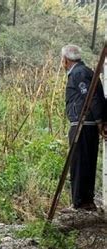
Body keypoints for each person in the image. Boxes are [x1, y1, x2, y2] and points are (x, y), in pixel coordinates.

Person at [61, 44, 106, 211]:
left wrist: (100, 120)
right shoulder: (86, 71)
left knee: (78, 163)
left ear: (65, 61)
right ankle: (87, 201)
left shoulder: (78, 73)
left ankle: (79, 202)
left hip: (82, 124)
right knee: (87, 162)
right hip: (89, 124)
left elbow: (90, 96)